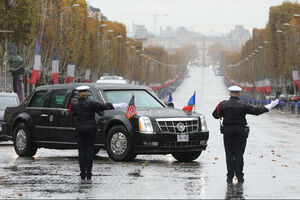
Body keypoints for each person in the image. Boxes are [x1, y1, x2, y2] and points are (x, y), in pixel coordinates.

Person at [212, 85, 279, 184]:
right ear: (239, 94)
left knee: (229, 155)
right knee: (239, 155)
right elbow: (257, 111)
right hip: (241, 132)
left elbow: (215, 115)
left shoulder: (223, 105)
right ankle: (240, 178)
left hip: (228, 132)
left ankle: (229, 177)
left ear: (230, 94)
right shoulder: (243, 105)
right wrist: (269, 106)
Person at [70, 85, 114, 180]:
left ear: (78, 94)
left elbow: (72, 114)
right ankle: (89, 173)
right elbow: (104, 106)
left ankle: (82, 173)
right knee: (89, 151)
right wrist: (112, 105)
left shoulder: (74, 104)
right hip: (90, 129)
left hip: (80, 129)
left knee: (81, 151)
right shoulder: (92, 103)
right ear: (86, 94)